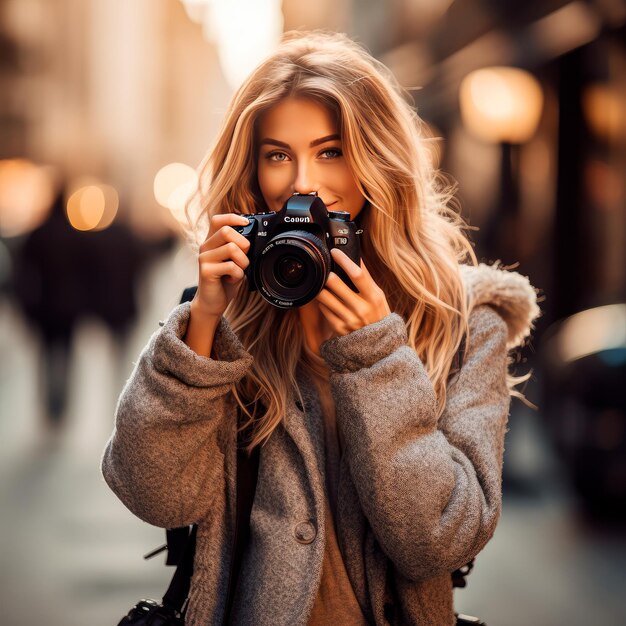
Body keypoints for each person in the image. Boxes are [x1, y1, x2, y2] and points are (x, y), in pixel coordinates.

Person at [102, 31, 540, 626]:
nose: (302, 181)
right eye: (278, 154)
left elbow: (442, 540)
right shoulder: (228, 320)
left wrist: (377, 355)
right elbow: (151, 493)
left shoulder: (461, 321)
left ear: (375, 160)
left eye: (331, 151)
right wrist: (203, 322)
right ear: (254, 170)